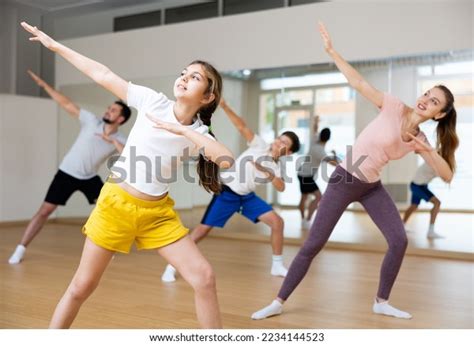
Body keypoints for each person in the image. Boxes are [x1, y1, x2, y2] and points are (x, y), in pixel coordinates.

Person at [20, 21, 234, 328]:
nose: (184, 78)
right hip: (116, 206)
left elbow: (225, 159)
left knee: (204, 277)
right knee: (82, 287)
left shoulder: (199, 132)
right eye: (183, 73)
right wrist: (55, 47)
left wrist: (180, 130)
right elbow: (103, 74)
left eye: (195, 77)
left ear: (208, 97)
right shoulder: (152, 101)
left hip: (157, 214)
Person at [251, 22, 458, 321]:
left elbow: (447, 175)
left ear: (438, 114)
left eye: (434, 101)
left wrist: (427, 150)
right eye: (427, 93)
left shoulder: (421, 140)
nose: (425, 99)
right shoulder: (393, 107)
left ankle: (381, 301)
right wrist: (332, 52)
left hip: (372, 187)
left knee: (399, 240)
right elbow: (360, 83)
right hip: (344, 181)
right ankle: (278, 300)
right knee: (313, 245)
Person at [161, 99, 301, 282]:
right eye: (279, 138)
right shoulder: (259, 145)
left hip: (247, 198)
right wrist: (226, 107)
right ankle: (171, 266)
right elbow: (242, 127)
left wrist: (266, 171)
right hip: (226, 193)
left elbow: (281, 187)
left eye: (284, 143)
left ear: (288, 152)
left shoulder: (276, 167)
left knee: (277, 222)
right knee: (201, 232)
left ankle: (277, 265)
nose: (278, 142)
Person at [8, 70, 129, 264]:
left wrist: (111, 141)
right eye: (109, 108)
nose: (108, 111)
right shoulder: (91, 121)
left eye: (113, 110)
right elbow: (66, 104)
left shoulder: (121, 138)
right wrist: (44, 86)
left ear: (121, 119)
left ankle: (106, 247)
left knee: (107, 209)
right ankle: (20, 249)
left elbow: (128, 155)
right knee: (45, 211)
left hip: (89, 178)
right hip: (67, 173)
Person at [297, 115, 339, 229]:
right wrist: (342, 164)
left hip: (302, 173)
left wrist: (315, 121)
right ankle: (307, 220)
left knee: (304, 197)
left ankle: (303, 220)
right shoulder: (320, 151)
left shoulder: (314, 140)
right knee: (319, 197)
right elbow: (332, 163)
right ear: (328, 139)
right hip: (306, 176)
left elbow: (315, 129)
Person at [403, 162, 443, 238]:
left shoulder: (434, 162)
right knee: (437, 203)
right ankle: (431, 231)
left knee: (414, 206)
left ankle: (402, 225)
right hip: (418, 187)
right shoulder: (433, 163)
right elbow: (445, 177)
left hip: (417, 185)